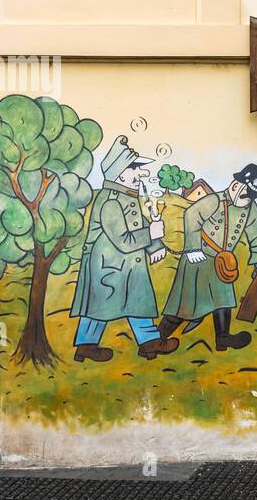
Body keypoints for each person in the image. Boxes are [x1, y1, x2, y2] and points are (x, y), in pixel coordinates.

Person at [69, 135, 178, 362]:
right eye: (136, 168)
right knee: (100, 306)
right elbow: (123, 239)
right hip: (109, 267)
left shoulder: (126, 197)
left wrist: (154, 245)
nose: (143, 174)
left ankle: (149, 343)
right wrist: (152, 235)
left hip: (126, 265)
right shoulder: (111, 202)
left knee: (136, 300)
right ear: (121, 173)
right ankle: (86, 346)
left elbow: (138, 226)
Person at [157, 163, 257, 351]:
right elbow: (192, 215)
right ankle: (155, 340)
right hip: (198, 258)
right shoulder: (214, 200)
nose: (247, 201)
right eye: (245, 195)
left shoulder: (250, 208)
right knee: (183, 305)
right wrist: (193, 248)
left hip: (222, 263)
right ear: (236, 186)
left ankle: (223, 339)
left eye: (251, 197)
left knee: (223, 300)